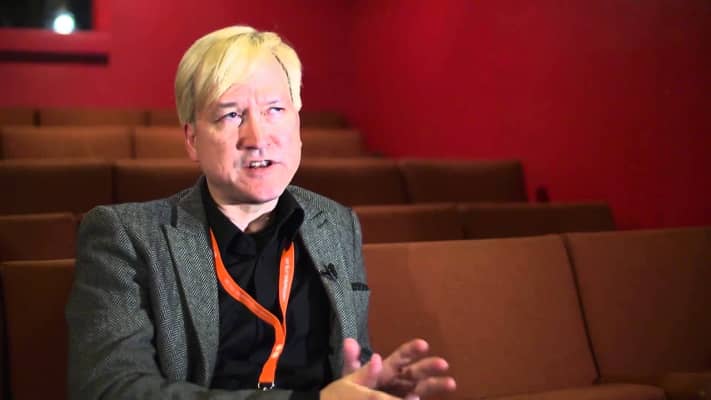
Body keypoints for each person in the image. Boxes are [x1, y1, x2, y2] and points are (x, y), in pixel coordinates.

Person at [66, 25, 456, 399]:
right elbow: (111, 389)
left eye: (275, 109)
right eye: (231, 115)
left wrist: (367, 385)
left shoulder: (337, 223)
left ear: (298, 124)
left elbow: (351, 358)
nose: (257, 138)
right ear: (192, 139)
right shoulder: (125, 236)